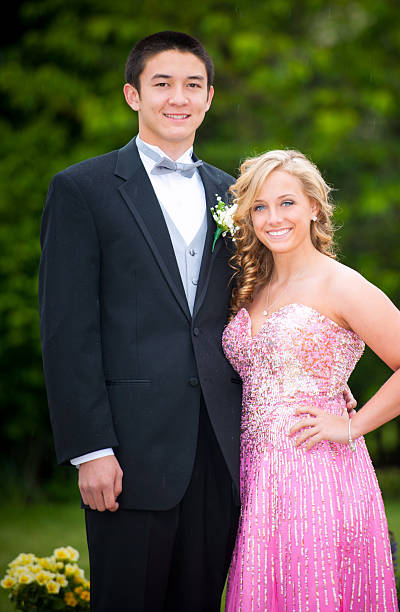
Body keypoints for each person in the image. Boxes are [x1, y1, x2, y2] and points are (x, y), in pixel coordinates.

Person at [39, 31, 243, 612]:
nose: (178, 97)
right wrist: (90, 448)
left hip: (218, 448)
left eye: (193, 85)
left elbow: (253, 309)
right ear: (133, 95)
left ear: (209, 99)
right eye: (162, 84)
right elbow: (66, 332)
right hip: (126, 452)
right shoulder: (83, 189)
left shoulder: (233, 193)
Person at [222, 149, 400, 611]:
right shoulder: (251, 288)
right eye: (259, 207)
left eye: (287, 203)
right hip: (256, 475)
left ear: (314, 207)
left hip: (316, 473)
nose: (273, 218)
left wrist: (350, 426)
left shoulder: (341, 284)